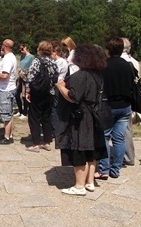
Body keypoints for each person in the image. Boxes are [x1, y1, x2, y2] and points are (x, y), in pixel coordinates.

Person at [55, 44, 107, 196]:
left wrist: (61, 86)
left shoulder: (82, 75)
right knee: (91, 148)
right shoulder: (97, 74)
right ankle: (90, 181)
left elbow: (73, 97)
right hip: (93, 114)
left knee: (79, 148)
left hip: (82, 116)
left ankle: (79, 186)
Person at [95, 38, 135, 180]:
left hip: (108, 105)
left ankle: (104, 169)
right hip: (125, 106)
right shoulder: (129, 65)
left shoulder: (104, 66)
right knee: (119, 139)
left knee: (105, 137)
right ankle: (116, 169)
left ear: (108, 51)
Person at [25, 41, 58, 152]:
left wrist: (27, 91)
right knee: (47, 118)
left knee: (34, 118)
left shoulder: (37, 61)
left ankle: (35, 144)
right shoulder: (53, 63)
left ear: (40, 50)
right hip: (50, 94)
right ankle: (47, 142)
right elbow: (55, 79)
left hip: (37, 93)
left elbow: (30, 77)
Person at [121, 37, 141, 167]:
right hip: (131, 98)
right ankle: (129, 155)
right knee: (127, 129)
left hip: (120, 99)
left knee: (119, 129)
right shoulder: (134, 61)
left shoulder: (120, 61)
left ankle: (124, 156)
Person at [0, 39, 17, 145]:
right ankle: (8, 134)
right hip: (7, 88)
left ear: (4, 46)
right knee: (8, 113)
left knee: (6, 115)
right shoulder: (10, 57)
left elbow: (5, 75)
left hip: (5, 89)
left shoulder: (8, 59)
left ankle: (7, 137)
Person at [15, 44, 34, 120]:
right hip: (20, 77)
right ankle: (20, 110)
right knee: (16, 94)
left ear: (26, 48)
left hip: (26, 78)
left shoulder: (31, 57)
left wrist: (26, 74)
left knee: (24, 95)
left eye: (22, 49)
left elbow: (32, 68)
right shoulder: (22, 57)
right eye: (19, 50)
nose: (21, 51)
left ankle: (25, 112)